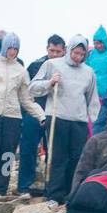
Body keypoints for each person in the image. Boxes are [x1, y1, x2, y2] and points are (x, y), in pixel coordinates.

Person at [0, 33, 44, 194]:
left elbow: (26, 99)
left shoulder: (21, 70)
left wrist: (41, 115)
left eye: (15, 49)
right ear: (4, 47)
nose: (12, 52)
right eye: (10, 48)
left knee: (8, 151)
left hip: (13, 115)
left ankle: (0, 187)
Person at [29, 34, 98, 203]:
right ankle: (54, 194)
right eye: (76, 53)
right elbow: (32, 88)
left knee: (76, 158)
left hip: (79, 121)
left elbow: (92, 99)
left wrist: (92, 120)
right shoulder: (52, 64)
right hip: (57, 116)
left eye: (82, 55)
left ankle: (71, 193)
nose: (78, 57)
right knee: (58, 157)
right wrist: (50, 83)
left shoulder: (88, 72)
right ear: (69, 50)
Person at [19, 35, 66, 194]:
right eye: (52, 50)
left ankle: (51, 186)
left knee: (54, 149)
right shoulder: (36, 65)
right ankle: (25, 184)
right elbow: (26, 89)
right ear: (47, 48)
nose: (54, 54)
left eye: (58, 51)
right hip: (35, 109)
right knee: (28, 147)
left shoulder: (67, 68)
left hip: (57, 112)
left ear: (64, 51)